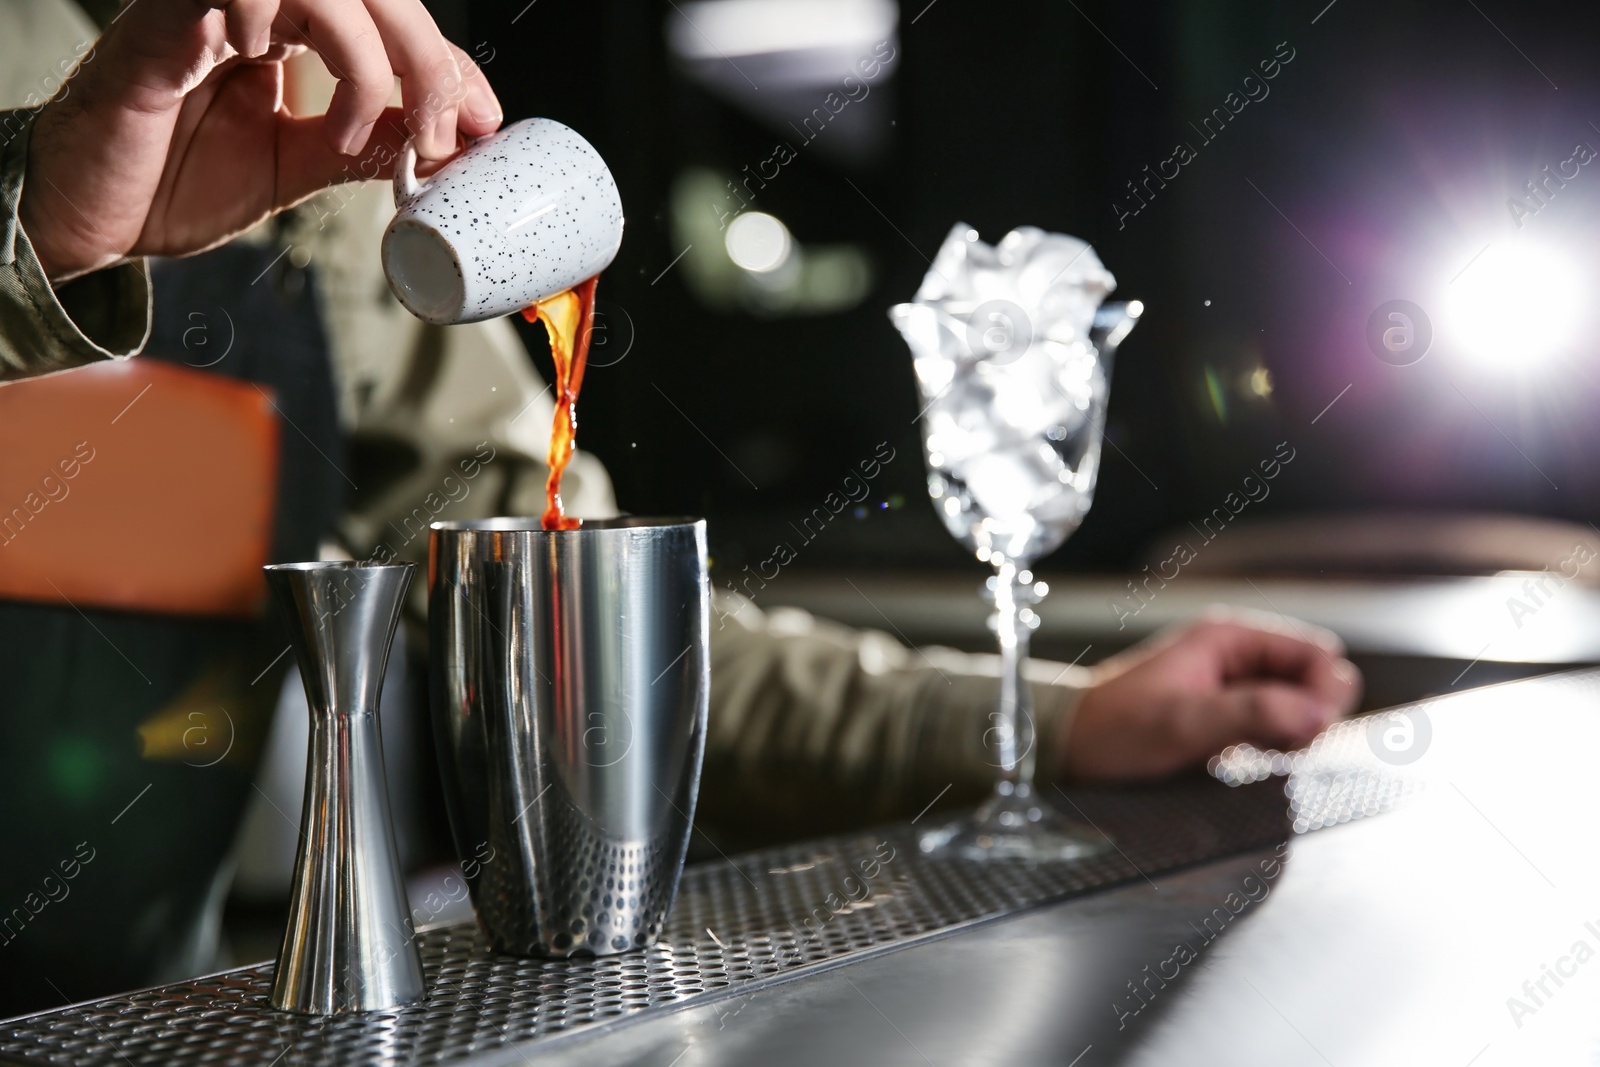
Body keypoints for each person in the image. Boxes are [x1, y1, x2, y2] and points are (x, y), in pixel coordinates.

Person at [0, 0, 1359, 837]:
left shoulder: (304, 118)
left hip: (167, 990)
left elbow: (593, 633)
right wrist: (40, 221)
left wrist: (1050, 729)